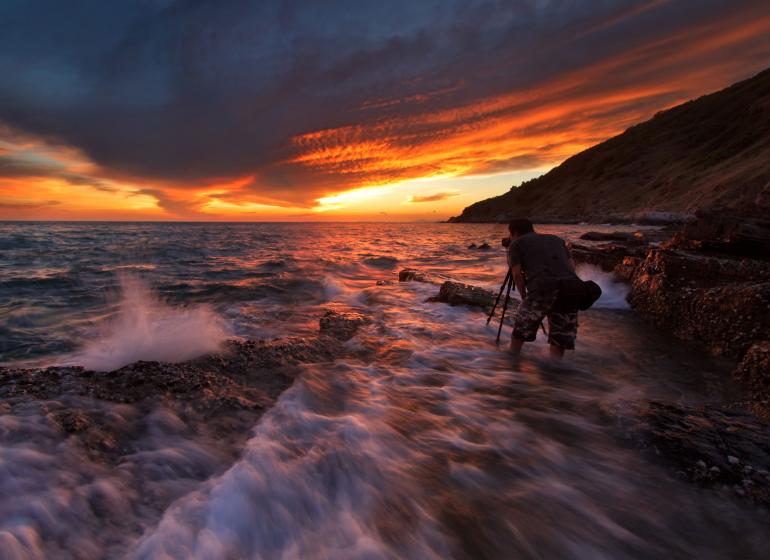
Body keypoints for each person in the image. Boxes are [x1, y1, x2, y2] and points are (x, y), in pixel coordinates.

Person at [506, 218, 578, 358]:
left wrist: (524, 297)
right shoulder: (557, 240)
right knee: (560, 336)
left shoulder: (516, 244)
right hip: (570, 289)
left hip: (542, 289)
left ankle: (512, 361)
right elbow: (571, 267)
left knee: (520, 331)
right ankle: (555, 369)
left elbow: (517, 275)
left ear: (513, 233)